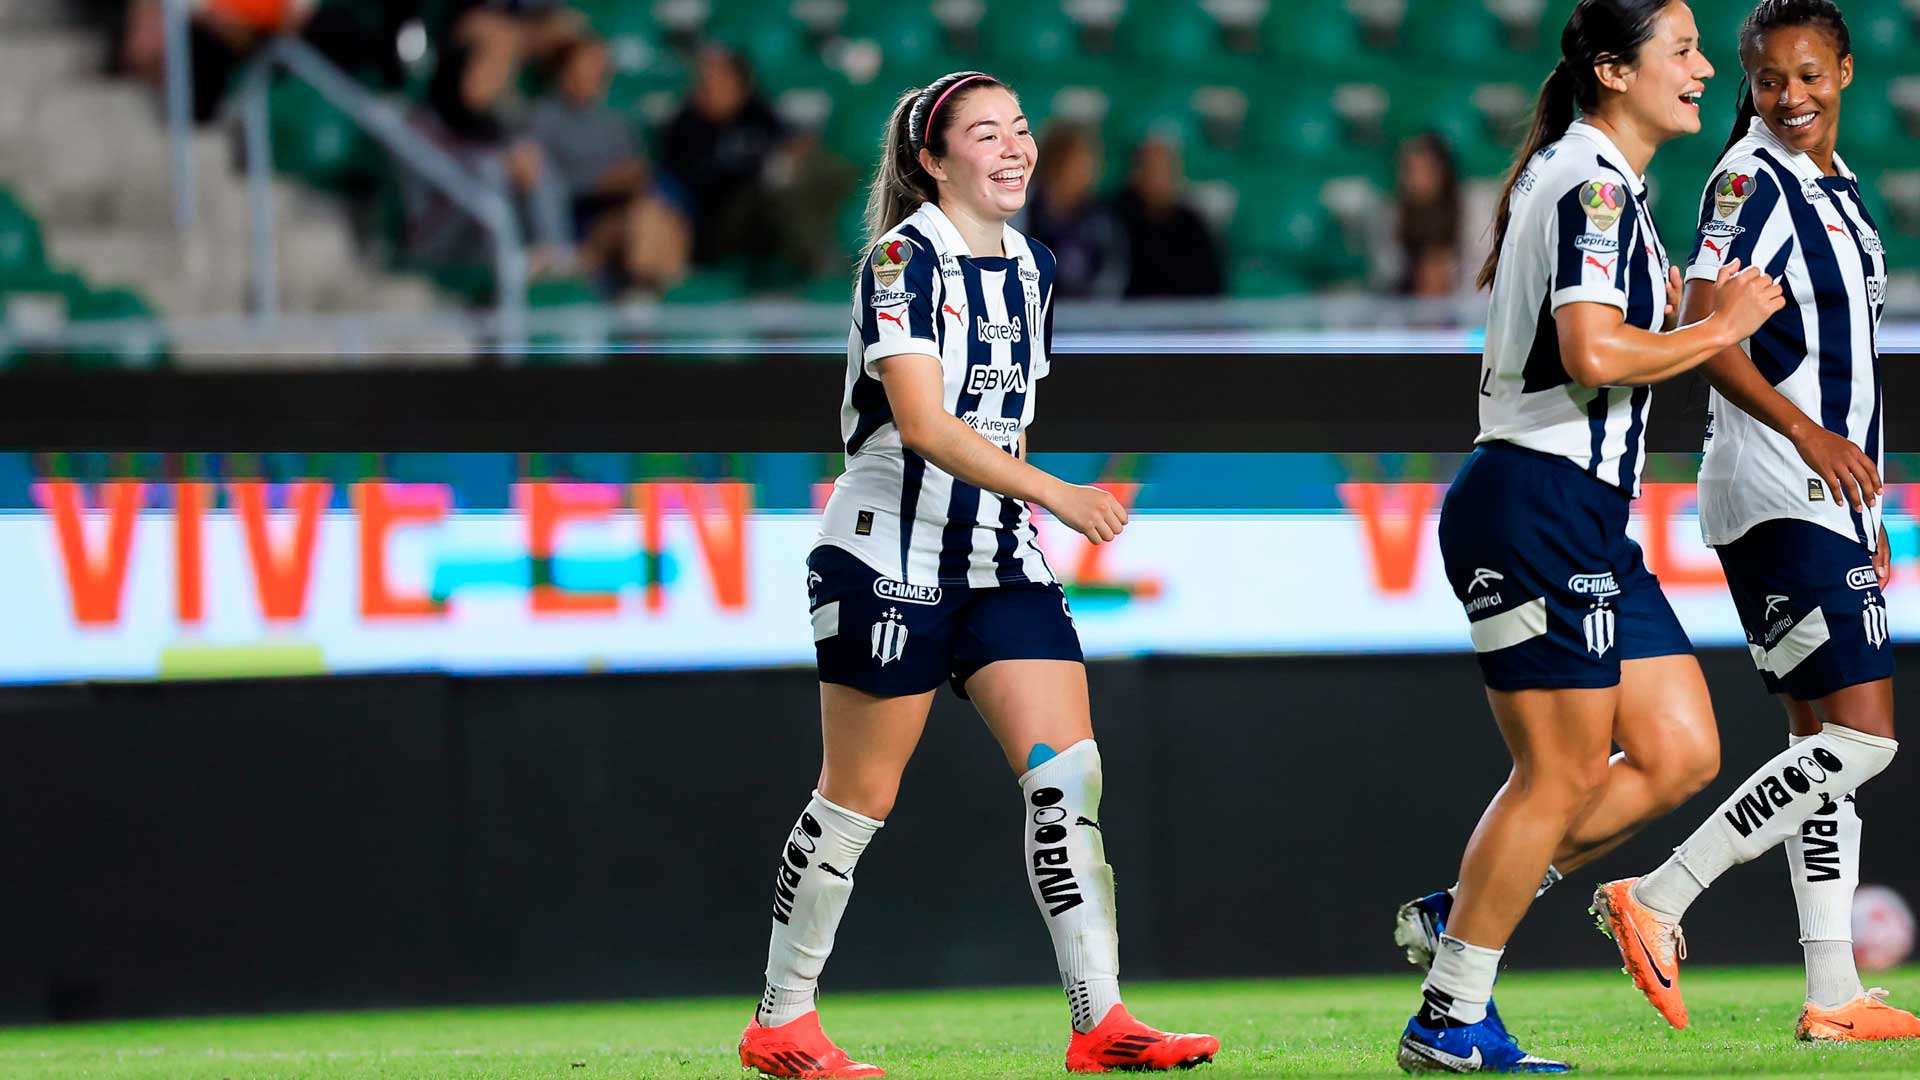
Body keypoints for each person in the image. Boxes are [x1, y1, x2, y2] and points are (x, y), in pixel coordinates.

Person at [735, 70, 1220, 1079]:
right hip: (882, 556)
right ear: (932, 159)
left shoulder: (1034, 265)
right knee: (856, 799)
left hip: (998, 560)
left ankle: (1102, 1020)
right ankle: (781, 1021)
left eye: (1022, 130)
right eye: (986, 133)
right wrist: (1058, 493)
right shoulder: (900, 261)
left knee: (1066, 780)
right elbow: (921, 425)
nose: (1014, 149)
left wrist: (1026, 511)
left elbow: (1005, 420)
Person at [1389, 1, 1785, 1072]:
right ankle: (1452, 1012)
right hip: (1535, 500)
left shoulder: (1602, 179)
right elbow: (1594, 352)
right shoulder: (1594, 181)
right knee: (1555, 780)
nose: (1708, 69)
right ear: (1613, 71)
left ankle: (1478, 895)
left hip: (1583, 514)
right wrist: (1719, 330)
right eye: (1684, 50)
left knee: (1681, 751)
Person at [1592, 0, 1919, 1042]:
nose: (1792, 97)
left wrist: (1860, 486)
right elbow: (1699, 320)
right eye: (1773, 79)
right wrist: (1809, 438)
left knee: (1821, 746)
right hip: (1778, 478)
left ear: (1848, 73)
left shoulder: (1841, 191)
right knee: (1863, 740)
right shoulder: (1751, 175)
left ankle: (1832, 993)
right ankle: (1663, 894)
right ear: (1752, 81)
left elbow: (1850, 363)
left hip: (1821, 490)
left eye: (1811, 75)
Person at [528, 37, 690, 292]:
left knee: (661, 218)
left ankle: (653, 303)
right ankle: (644, 308)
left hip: (626, 210)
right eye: (587, 64)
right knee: (645, 221)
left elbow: (639, 173)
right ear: (564, 69)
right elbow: (542, 185)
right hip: (581, 223)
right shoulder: (542, 119)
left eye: (600, 66)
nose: (596, 72)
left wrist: (635, 178)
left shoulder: (617, 123)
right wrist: (598, 183)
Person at [1113, 136, 1225, 298]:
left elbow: (1210, 284)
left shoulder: (1192, 224)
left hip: (1182, 318)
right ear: (1135, 172)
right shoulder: (1114, 219)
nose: (1156, 177)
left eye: (1163, 169)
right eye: (1149, 168)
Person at [1023, 124, 1125, 298]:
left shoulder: (1102, 218)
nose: (1088, 171)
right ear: (1055, 163)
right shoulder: (1022, 212)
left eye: (1091, 162)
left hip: (1087, 318)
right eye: (1079, 162)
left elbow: (1113, 273)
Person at [1392, 132, 1465, 298]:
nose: (1418, 179)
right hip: (1410, 308)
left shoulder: (1469, 215)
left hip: (1462, 304)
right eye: (1411, 170)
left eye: (1426, 169)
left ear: (1442, 172)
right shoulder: (1394, 219)